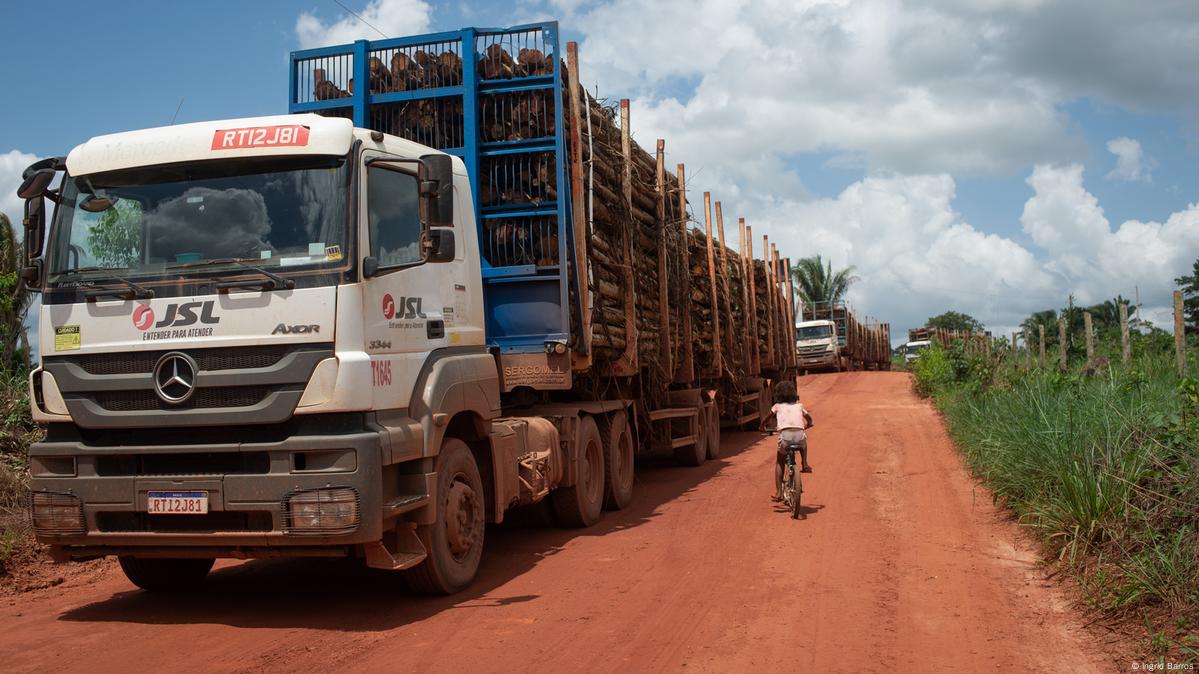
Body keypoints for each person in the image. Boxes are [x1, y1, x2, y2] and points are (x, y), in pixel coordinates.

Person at [765, 380, 813, 502]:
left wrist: (762, 426)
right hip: (799, 435)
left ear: (778, 395)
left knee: (780, 462)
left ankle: (779, 493)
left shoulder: (777, 406)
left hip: (785, 437)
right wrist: (809, 424)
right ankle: (805, 463)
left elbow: (767, 418)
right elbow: (808, 418)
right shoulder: (799, 406)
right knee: (803, 440)